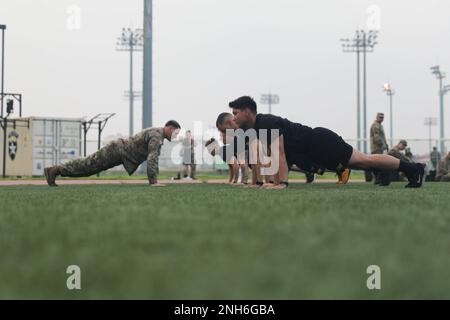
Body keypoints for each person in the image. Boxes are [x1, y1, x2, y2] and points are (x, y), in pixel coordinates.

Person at [228, 96, 424, 189]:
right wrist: (263, 183)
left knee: (364, 160)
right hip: (316, 149)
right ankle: (410, 169)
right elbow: (268, 158)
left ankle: (412, 168)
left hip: (321, 142)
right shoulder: (258, 127)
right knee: (363, 161)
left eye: (236, 114)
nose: (234, 119)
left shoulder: (267, 122)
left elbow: (279, 154)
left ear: (247, 111)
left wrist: (282, 184)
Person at [44, 120, 181, 186]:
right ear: (169, 128)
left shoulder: (158, 134)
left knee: (90, 167)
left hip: (120, 152)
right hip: (117, 150)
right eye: (175, 132)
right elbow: (152, 158)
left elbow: (152, 157)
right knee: (89, 165)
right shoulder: (157, 136)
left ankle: (55, 171)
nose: (175, 135)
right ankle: (56, 170)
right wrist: (153, 182)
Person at [370, 113, 389, 185]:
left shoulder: (380, 125)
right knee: (377, 164)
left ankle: (378, 179)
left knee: (378, 164)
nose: (381, 119)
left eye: (382, 117)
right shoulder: (376, 125)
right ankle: (377, 179)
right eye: (380, 117)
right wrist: (383, 145)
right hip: (377, 148)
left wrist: (385, 145)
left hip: (380, 148)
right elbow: (376, 137)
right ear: (377, 117)